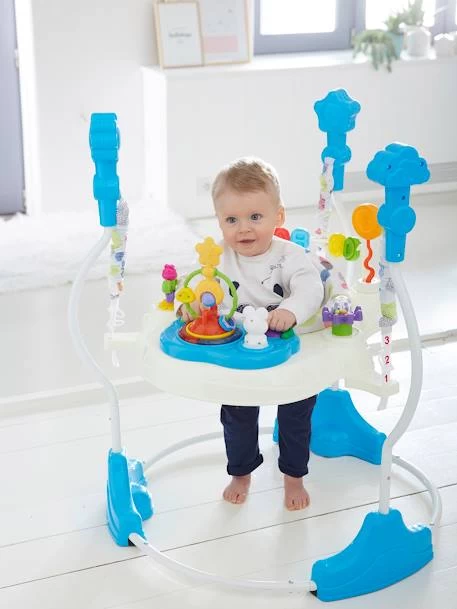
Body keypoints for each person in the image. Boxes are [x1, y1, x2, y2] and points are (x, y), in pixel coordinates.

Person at [180, 157, 325, 510]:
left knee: (296, 414)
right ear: (219, 221)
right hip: (238, 351)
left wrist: (290, 311)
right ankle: (241, 473)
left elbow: (310, 288)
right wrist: (192, 306)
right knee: (236, 415)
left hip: (287, 350)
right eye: (232, 220)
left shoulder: (290, 256)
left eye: (255, 217)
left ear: (278, 217)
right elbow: (200, 286)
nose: (243, 229)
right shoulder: (218, 257)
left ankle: (294, 477)